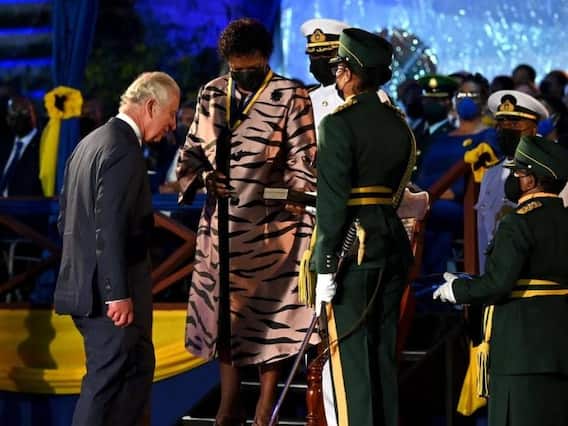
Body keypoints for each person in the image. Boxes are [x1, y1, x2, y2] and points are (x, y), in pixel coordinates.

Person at [176, 18, 318, 426]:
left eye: (249, 68)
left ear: (265, 58)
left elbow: (304, 162)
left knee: (270, 318)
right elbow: (191, 153)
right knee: (224, 315)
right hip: (220, 228)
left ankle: (264, 406)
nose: (242, 76)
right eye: (235, 69)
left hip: (272, 230)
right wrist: (204, 179)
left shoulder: (290, 95)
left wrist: (283, 197)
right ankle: (229, 402)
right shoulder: (212, 93)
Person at [54, 71, 180, 426]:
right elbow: (109, 226)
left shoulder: (89, 143)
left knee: (135, 371)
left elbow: (65, 220)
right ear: (151, 106)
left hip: (89, 289)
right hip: (109, 299)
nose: (173, 124)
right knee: (106, 384)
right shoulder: (122, 148)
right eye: (171, 113)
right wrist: (116, 294)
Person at [314, 28, 415, 426]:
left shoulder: (338, 124)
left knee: (351, 361)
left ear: (350, 72)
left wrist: (324, 266)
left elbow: (333, 203)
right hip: (390, 241)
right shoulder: (398, 123)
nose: (337, 75)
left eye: (340, 68)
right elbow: (397, 190)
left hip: (353, 248)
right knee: (381, 356)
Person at [434, 135, 568, 426]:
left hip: (521, 349)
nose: (514, 178)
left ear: (531, 180)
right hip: (558, 350)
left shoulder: (518, 221)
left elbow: (498, 284)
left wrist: (458, 289)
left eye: (518, 172)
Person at [416, 73, 498, 274]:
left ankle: (434, 277)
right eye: (461, 94)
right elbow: (424, 174)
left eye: (472, 95)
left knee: (430, 213)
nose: (466, 99)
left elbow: (488, 174)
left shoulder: (489, 136)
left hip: (466, 205)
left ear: (484, 101)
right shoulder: (442, 138)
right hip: (432, 199)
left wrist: (451, 192)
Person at [476, 90, 548, 271]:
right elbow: (483, 234)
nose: (506, 130)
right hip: (496, 275)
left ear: (534, 129)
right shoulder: (491, 174)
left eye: (514, 124)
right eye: (501, 124)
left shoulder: (552, 171)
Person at [300, 18, 349, 132]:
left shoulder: (365, 97)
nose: (320, 60)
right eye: (314, 55)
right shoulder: (305, 100)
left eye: (327, 54)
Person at [0, 95, 43, 197]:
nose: (14, 119)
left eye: (20, 113)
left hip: (24, 204)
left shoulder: (42, 146)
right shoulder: (4, 144)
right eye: (11, 115)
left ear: (32, 116)